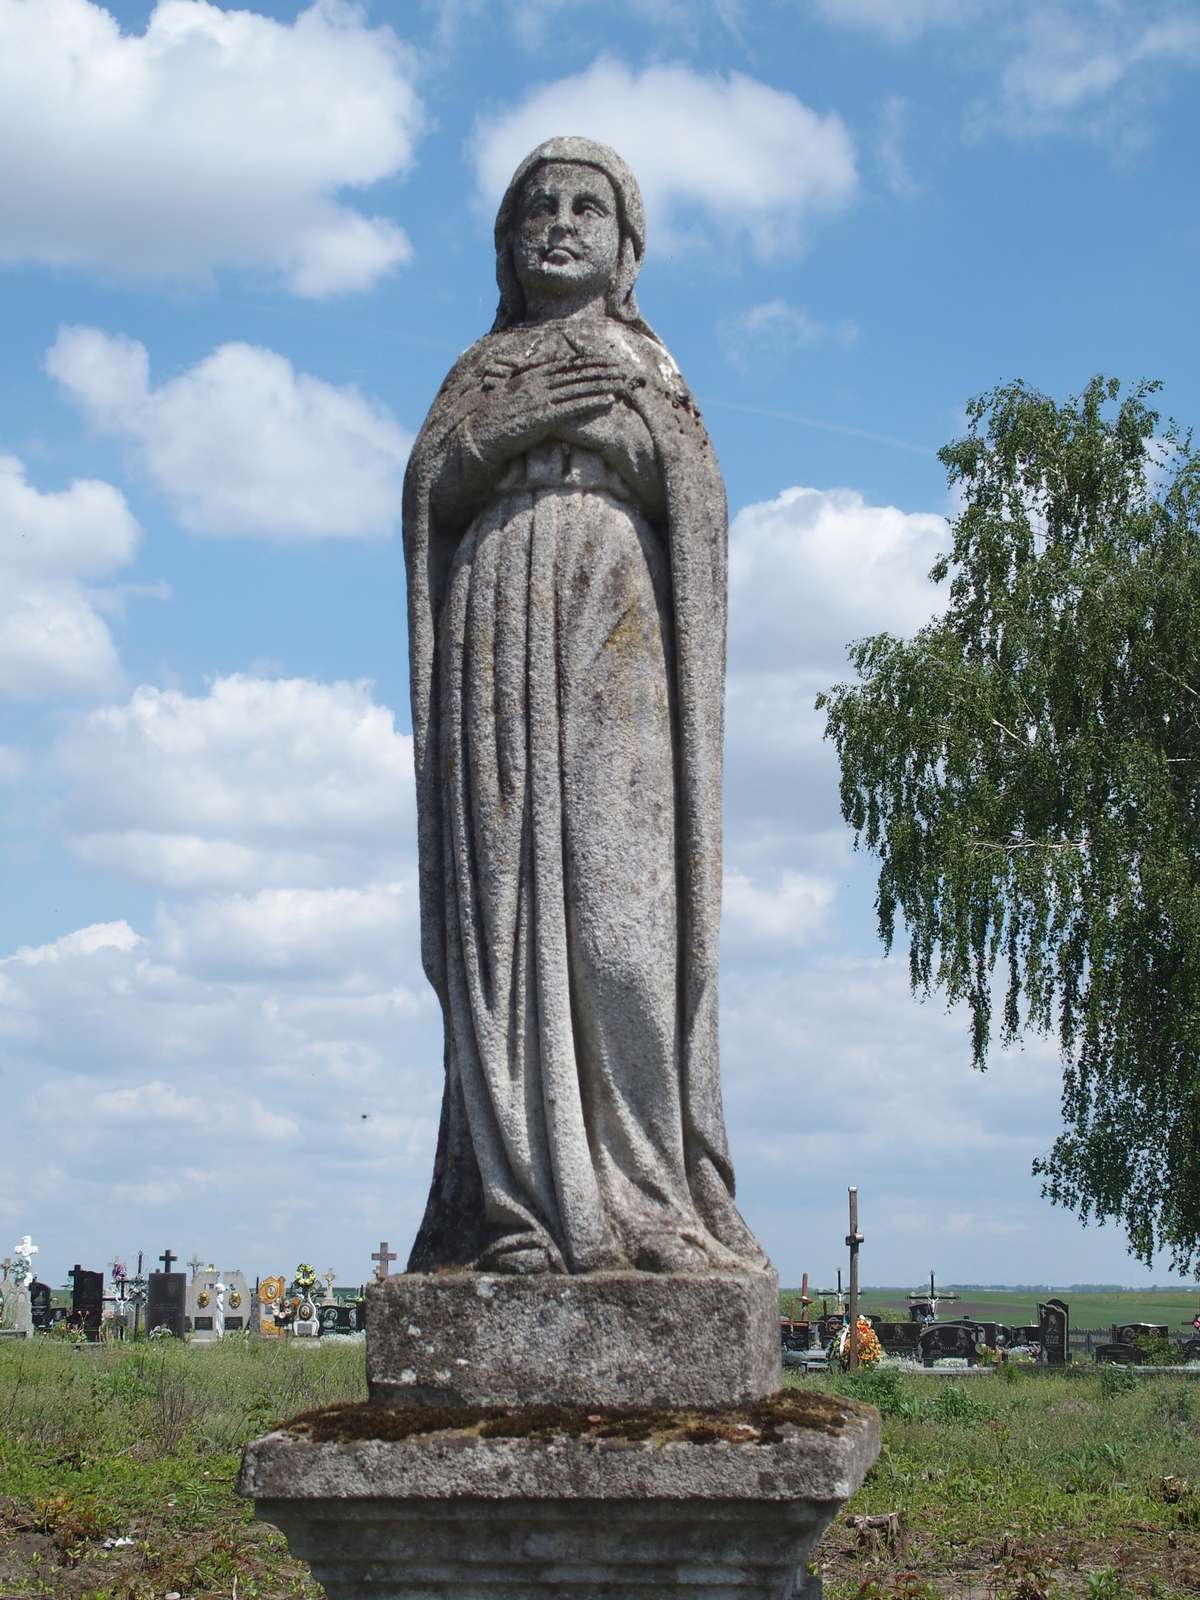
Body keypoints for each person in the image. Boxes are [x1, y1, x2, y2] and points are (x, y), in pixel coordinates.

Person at [403, 137, 765, 1277]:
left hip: (614, 617)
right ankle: (520, 1209)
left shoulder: (648, 364)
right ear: (508, 243)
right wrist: (509, 425)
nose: (559, 223)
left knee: (624, 928)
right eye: (537, 208)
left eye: (586, 208)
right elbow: (431, 494)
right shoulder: (477, 369)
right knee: (502, 922)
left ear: (625, 246)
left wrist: (607, 429)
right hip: (496, 624)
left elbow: (695, 507)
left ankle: (651, 1197)